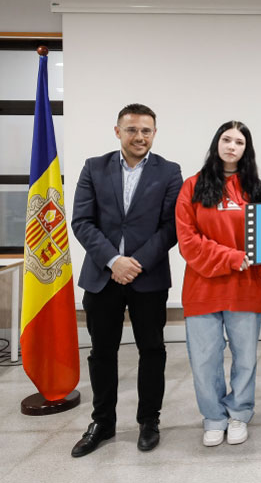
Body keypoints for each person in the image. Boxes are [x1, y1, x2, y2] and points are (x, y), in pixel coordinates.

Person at [70, 103, 182, 457]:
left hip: (147, 278)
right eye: (132, 129)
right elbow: (82, 221)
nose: (139, 136)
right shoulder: (94, 168)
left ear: (154, 133)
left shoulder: (169, 172)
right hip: (103, 277)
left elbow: (171, 228)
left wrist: (136, 263)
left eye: (146, 130)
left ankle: (149, 421)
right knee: (102, 353)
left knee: (152, 351)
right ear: (117, 131)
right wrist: (114, 260)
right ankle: (102, 422)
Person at [175, 121, 261, 447]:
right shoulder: (192, 186)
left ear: (246, 150)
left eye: (239, 142)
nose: (232, 146)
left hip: (245, 288)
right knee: (204, 359)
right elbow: (188, 242)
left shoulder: (256, 189)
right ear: (216, 143)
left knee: (246, 358)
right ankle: (214, 417)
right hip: (202, 288)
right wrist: (232, 257)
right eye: (226, 139)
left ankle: (239, 413)